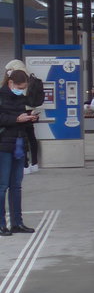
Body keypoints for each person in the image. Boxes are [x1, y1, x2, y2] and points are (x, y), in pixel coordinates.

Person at [0, 68, 38, 235]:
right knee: (2, 186)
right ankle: (1, 224)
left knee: (16, 186)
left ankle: (17, 222)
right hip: (3, 145)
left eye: (23, 88)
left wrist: (29, 117)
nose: (21, 90)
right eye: (19, 87)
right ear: (10, 83)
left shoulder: (20, 98)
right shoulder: (1, 97)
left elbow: (19, 118)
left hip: (18, 143)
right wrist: (16, 119)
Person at [4, 59, 41, 172]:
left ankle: (25, 165)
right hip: (30, 111)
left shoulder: (17, 80)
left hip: (21, 112)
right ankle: (34, 163)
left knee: (22, 139)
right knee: (31, 138)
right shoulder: (29, 77)